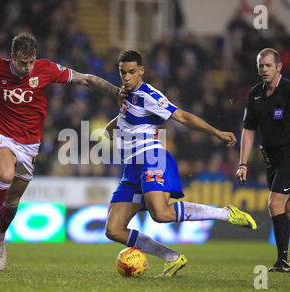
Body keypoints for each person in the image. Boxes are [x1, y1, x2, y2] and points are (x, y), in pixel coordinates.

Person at [0, 32, 125, 271]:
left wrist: (116, 92)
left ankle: (0, 238)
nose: (27, 67)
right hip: (0, 133)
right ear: (12, 57)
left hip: (29, 144)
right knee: (5, 175)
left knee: (14, 198)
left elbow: (85, 79)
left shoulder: (45, 69)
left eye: (31, 62)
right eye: (22, 62)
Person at [104, 50, 257, 278]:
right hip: (132, 168)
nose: (126, 77)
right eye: (123, 72)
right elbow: (122, 120)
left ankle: (225, 213)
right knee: (113, 230)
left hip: (152, 157)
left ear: (142, 71)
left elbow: (182, 117)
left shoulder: (150, 95)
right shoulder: (126, 95)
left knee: (161, 214)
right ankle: (171, 257)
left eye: (132, 72)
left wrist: (217, 133)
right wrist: (112, 127)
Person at [236, 48, 290, 273]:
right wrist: (243, 163)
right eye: (261, 66)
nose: (264, 70)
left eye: (268, 65)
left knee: (274, 204)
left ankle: (282, 261)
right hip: (272, 158)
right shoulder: (255, 94)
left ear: (279, 67)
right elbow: (248, 129)